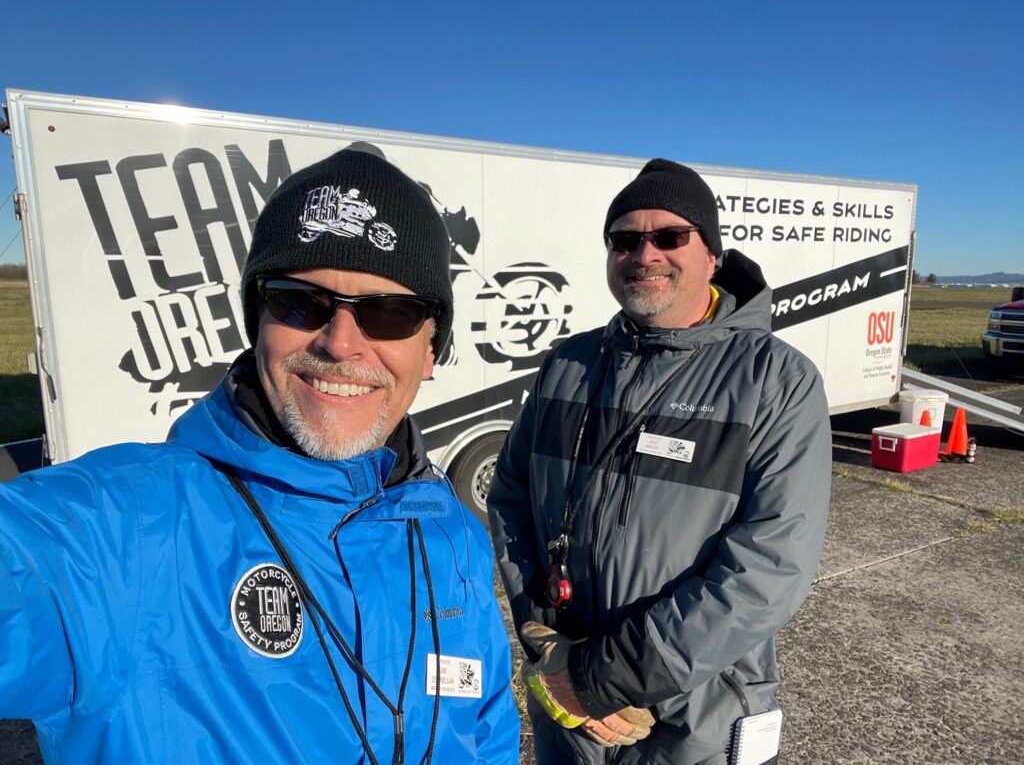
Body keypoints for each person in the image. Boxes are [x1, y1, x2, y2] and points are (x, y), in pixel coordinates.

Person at [0, 147, 519, 764]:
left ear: (432, 350)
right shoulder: (125, 526)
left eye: (391, 313)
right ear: (256, 320)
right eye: (301, 302)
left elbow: (487, 731)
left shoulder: (453, 536)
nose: (340, 343)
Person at [488, 158, 832, 764]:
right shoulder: (567, 364)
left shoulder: (776, 380)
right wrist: (542, 633)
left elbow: (770, 566)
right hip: (567, 694)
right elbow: (512, 496)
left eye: (670, 236)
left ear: (712, 256)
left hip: (695, 709)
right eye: (625, 240)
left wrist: (610, 677)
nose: (644, 254)